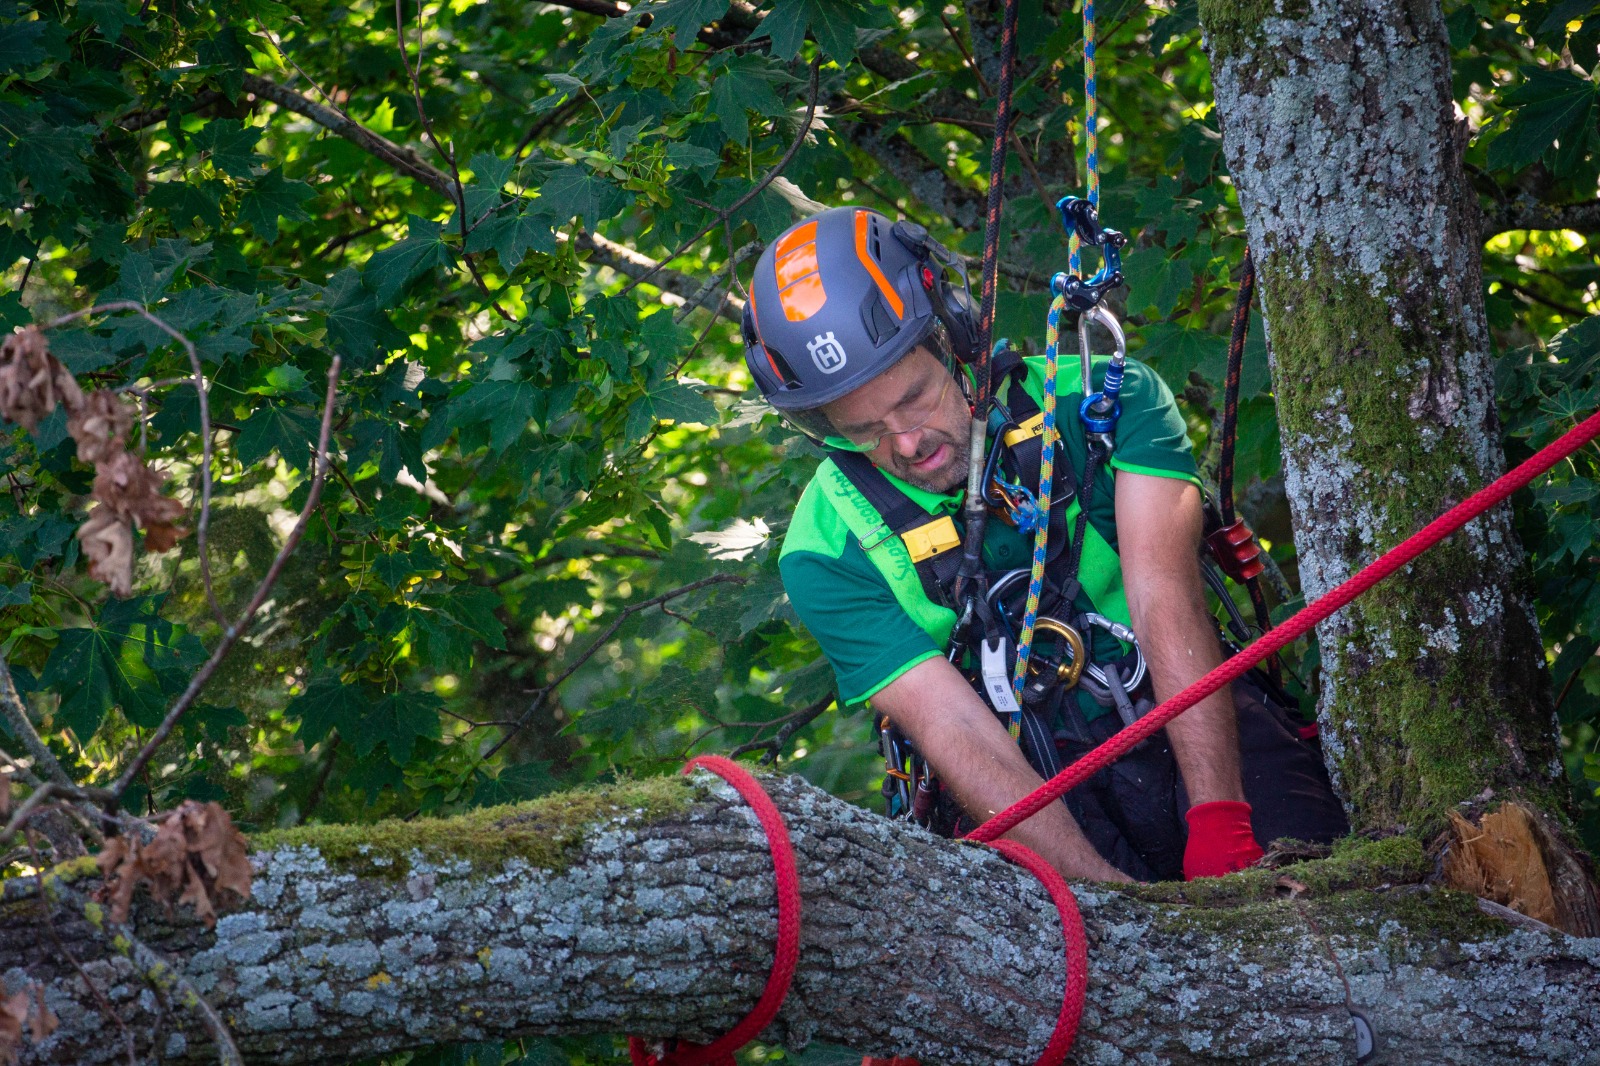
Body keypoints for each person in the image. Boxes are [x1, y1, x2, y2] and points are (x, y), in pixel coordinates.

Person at [742, 206, 1347, 887]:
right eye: (864, 430)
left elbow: (1164, 595)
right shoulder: (825, 548)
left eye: (915, 398)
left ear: (954, 334)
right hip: (1016, 777)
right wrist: (1105, 902)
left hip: (1186, 706)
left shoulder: (1101, 402)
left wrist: (1219, 815)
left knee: (1316, 891)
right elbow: (949, 725)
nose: (906, 443)